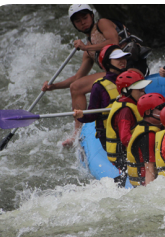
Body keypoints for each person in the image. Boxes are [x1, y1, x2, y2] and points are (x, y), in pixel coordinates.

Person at [42, 4, 122, 146]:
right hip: (113, 75)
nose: (83, 22)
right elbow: (77, 78)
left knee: (77, 86)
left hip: (129, 69)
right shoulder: (88, 51)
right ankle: (78, 133)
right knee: (76, 87)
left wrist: (85, 47)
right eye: (78, 21)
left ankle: (76, 134)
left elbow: (113, 42)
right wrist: (53, 87)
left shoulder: (102, 24)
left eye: (85, 18)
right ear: (74, 25)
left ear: (92, 16)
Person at [73, 45, 130, 150]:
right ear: (107, 63)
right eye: (118, 58)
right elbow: (92, 115)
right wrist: (81, 116)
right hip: (110, 136)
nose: (123, 61)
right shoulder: (99, 87)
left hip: (130, 130)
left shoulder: (131, 80)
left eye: (123, 58)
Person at [104, 70, 149, 179]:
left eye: (143, 89)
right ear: (126, 90)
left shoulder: (131, 103)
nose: (143, 93)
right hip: (124, 157)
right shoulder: (125, 111)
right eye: (139, 89)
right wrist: (147, 146)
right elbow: (125, 139)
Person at [126, 92, 165, 187]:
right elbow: (149, 169)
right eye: (160, 108)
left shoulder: (151, 127)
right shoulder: (148, 135)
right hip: (143, 184)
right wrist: (150, 192)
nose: (164, 110)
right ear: (147, 112)